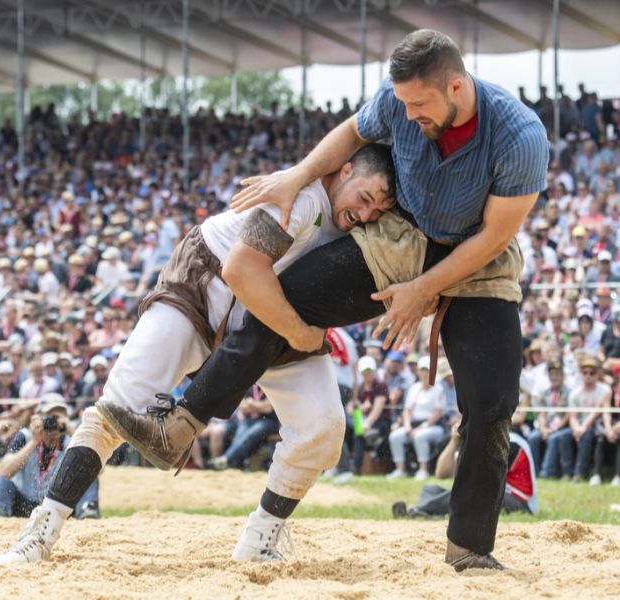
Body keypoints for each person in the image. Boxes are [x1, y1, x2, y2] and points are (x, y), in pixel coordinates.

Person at [173, 28, 548, 572]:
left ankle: (470, 548)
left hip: (478, 261)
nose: (409, 115)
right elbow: (352, 130)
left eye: (421, 105)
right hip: (402, 235)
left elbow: (492, 238)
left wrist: (424, 290)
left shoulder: (520, 136)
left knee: (492, 406)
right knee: (286, 297)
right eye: (403, 103)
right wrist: (297, 175)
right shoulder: (399, 101)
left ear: (458, 88)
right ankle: (185, 418)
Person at [0, 144, 396, 565]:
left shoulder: (352, 224)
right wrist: (302, 334)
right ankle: (41, 530)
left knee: (322, 427)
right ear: (344, 170)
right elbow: (240, 270)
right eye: (365, 199)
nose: (366, 215)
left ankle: (259, 540)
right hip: (207, 287)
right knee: (116, 407)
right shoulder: (303, 196)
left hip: (270, 316)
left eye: (378, 212)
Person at [0, 394, 99, 519]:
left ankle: (87, 510)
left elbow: (97, 469)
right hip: (25, 501)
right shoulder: (25, 436)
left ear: (66, 418)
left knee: (90, 478)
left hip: (60, 504)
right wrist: (34, 442)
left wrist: (72, 432)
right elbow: (4, 471)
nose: (53, 421)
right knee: (2, 482)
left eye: (58, 417)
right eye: (49, 416)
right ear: (38, 417)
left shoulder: (73, 440)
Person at [391, 423, 537, 517]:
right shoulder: (481, 439)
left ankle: (419, 510)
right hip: (498, 494)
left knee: (469, 492)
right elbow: (441, 473)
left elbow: (477, 481)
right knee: (430, 489)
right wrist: (454, 440)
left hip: (520, 502)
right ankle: (428, 511)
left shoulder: (509, 442)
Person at [386, 356, 444, 480]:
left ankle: (423, 469)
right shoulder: (414, 388)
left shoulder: (438, 389)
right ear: (418, 371)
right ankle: (400, 469)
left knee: (419, 436)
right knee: (395, 436)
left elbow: (438, 413)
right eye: (422, 370)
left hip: (434, 426)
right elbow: (407, 410)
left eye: (427, 370)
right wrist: (407, 425)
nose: (424, 373)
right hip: (413, 424)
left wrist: (422, 427)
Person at [526, 359, 573, 479]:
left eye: (557, 374)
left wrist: (554, 428)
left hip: (563, 426)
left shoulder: (569, 392)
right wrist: (543, 429)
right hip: (546, 426)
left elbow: (569, 414)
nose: (554, 377)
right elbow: (541, 413)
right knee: (533, 437)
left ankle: (547, 472)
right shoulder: (545, 392)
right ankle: (533, 472)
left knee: (553, 438)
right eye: (552, 374)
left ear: (563, 375)